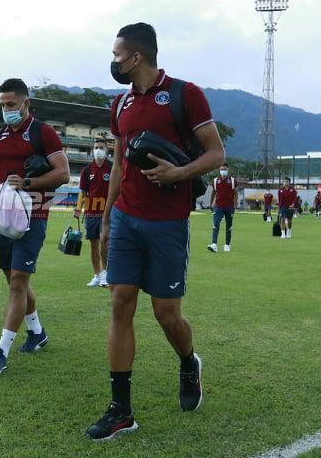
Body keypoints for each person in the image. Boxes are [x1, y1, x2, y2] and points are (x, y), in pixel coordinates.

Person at [85, 23, 225, 441]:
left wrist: (179, 172)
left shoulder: (185, 94)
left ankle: (187, 362)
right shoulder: (120, 104)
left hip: (168, 223)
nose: (113, 62)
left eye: (117, 55)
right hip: (127, 217)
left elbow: (217, 153)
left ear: (137, 57)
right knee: (120, 304)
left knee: (166, 314)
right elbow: (117, 167)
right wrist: (108, 217)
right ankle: (121, 410)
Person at [0, 78, 70, 376]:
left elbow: (63, 173)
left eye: (11, 104)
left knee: (17, 281)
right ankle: (37, 332)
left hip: (34, 214)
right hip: (3, 215)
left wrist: (28, 183)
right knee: (15, 280)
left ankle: (0, 351)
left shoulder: (43, 133)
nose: (6, 109)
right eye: (2, 104)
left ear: (26, 103)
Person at [75, 138, 112, 286]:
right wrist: (78, 209)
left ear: (107, 150)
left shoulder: (112, 168)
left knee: (105, 243)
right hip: (91, 213)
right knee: (93, 245)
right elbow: (83, 192)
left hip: (107, 213)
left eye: (101, 147)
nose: (98, 150)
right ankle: (97, 275)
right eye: (96, 147)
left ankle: (106, 274)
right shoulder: (87, 170)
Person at [207, 164, 236, 253]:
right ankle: (214, 244)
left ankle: (227, 245)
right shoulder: (216, 181)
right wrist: (211, 204)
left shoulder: (232, 180)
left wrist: (235, 204)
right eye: (221, 169)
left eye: (225, 169)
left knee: (229, 227)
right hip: (218, 206)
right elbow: (213, 193)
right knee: (215, 225)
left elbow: (236, 193)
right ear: (219, 170)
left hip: (229, 207)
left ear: (228, 170)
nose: (223, 170)